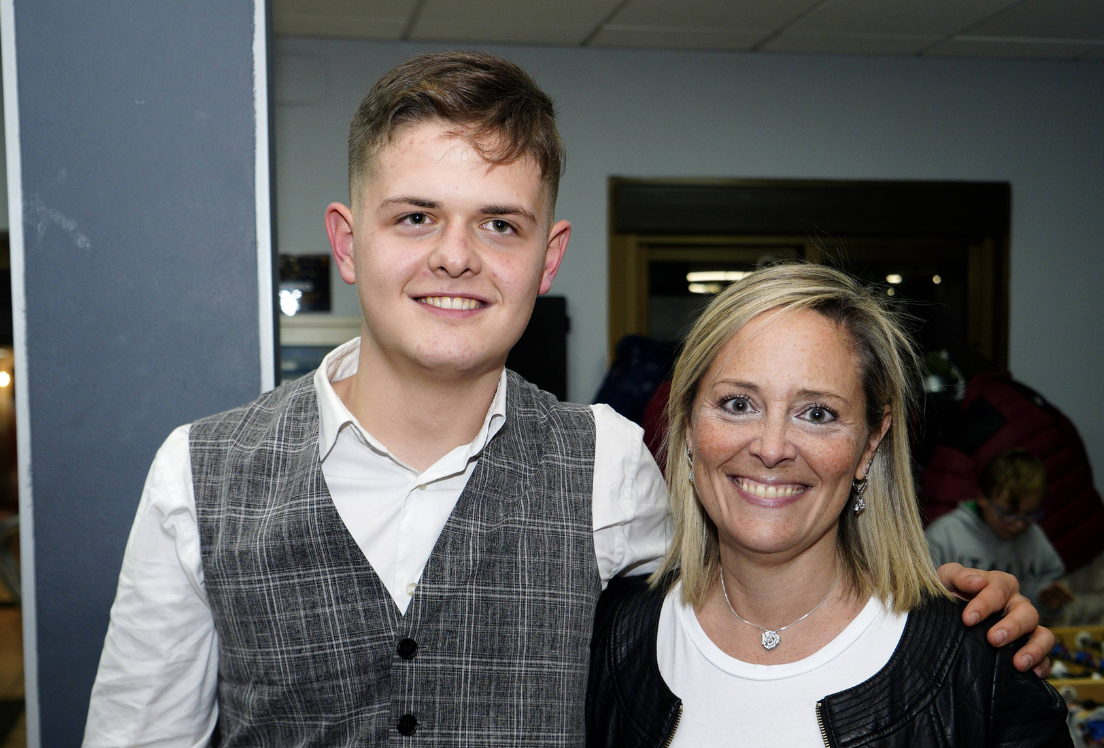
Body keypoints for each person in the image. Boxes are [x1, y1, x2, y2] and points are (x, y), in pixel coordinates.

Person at [84, 53, 1047, 747]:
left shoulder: (612, 464)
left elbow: (766, 551)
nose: (455, 256)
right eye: (415, 216)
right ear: (346, 241)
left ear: (547, 258)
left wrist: (951, 612)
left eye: (498, 224)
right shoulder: (198, 472)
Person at [588, 264, 1069, 748]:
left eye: (817, 413)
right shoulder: (609, 640)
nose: (772, 447)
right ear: (689, 425)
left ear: (869, 444)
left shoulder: (978, 665)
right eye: (738, 404)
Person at [928, 449, 1073, 613]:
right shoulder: (944, 535)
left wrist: (1044, 598)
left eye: (1029, 514)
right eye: (1007, 513)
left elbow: (1046, 581)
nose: (1018, 525)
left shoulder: (1034, 536)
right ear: (982, 498)